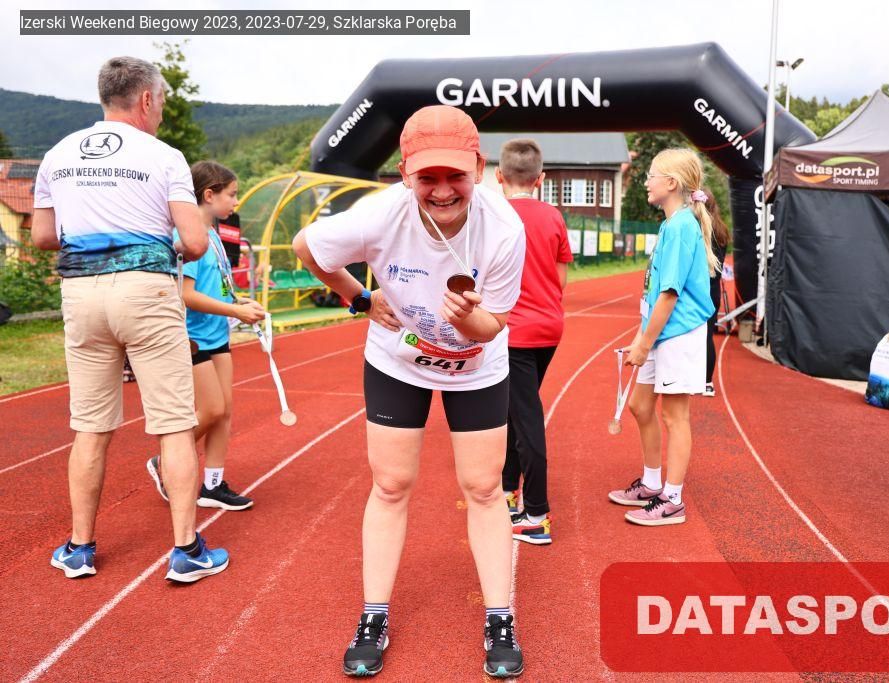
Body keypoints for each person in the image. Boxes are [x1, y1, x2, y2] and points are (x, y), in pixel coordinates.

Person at [292, 105, 527, 678]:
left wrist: (468, 319)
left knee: (484, 487)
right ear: (404, 174)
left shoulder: (504, 228)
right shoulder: (378, 216)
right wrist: (358, 297)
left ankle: (500, 617)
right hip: (399, 362)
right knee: (391, 483)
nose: (442, 190)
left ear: (479, 168)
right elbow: (306, 247)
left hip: (475, 365)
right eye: (427, 177)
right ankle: (373, 615)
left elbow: (493, 326)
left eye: (455, 175)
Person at [31, 56, 229, 582]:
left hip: (81, 295)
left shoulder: (57, 154)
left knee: (90, 428)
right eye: (160, 101)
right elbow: (194, 242)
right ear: (145, 99)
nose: (160, 110)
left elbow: (43, 237)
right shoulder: (164, 156)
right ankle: (186, 551)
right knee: (174, 424)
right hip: (145, 292)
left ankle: (79, 547)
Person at [146, 161, 265, 511]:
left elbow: (218, 285)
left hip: (217, 334)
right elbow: (185, 294)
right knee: (211, 409)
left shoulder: (213, 235)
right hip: (192, 336)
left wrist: (237, 301)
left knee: (224, 411)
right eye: (232, 194)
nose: (236, 202)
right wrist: (234, 311)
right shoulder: (188, 236)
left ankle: (212, 485)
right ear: (209, 195)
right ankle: (164, 460)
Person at [607, 148, 716, 526]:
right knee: (640, 406)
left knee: (674, 415)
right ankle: (652, 483)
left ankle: (673, 499)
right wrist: (642, 336)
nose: (646, 182)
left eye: (651, 175)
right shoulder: (671, 225)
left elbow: (669, 295)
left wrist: (644, 343)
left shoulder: (682, 226)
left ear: (671, 183)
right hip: (660, 331)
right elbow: (654, 293)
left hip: (679, 333)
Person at [495, 138, 573, 545]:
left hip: (512, 333)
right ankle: (508, 491)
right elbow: (560, 280)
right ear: (540, 179)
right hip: (548, 329)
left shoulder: (491, 215)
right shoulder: (554, 216)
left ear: (498, 176)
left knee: (525, 419)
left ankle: (538, 515)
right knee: (515, 410)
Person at [702, 189, 730, 397]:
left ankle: (695, 378)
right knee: (707, 336)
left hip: (700, 289)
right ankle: (707, 382)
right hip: (714, 291)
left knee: (694, 336)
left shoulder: (700, 229)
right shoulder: (722, 230)